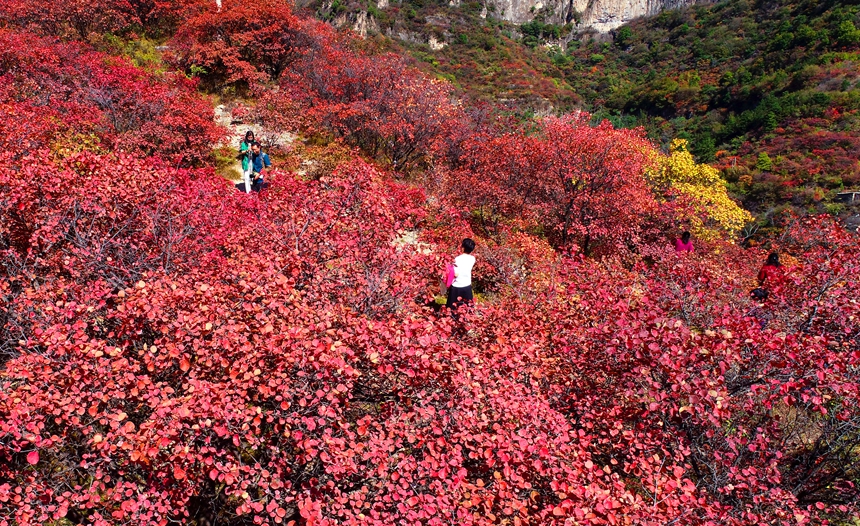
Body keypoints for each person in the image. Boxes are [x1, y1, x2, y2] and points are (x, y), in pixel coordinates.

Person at [446, 238, 476, 315]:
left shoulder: (457, 259)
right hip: (467, 286)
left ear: (463, 247)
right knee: (467, 310)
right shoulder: (473, 259)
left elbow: (456, 274)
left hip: (456, 286)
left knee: (452, 310)